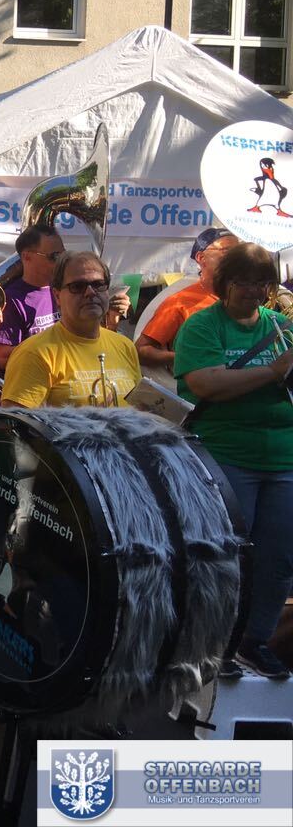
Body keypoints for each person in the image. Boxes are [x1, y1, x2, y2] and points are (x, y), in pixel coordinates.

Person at [174, 243, 293, 680]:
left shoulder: (282, 326)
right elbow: (207, 384)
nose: (253, 291)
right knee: (224, 556)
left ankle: (254, 641)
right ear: (225, 283)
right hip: (226, 458)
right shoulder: (203, 326)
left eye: (262, 282)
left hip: (284, 460)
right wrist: (274, 372)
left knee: (279, 559)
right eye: (243, 281)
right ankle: (213, 643)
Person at [1, 251, 141, 408]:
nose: (90, 292)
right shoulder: (34, 353)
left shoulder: (126, 346)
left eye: (98, 284)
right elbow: (14, 421)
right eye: (77, 287)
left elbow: (142, 410)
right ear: (57, 296)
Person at [136, 227, 236, 372]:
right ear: (201, 258)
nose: (237, 260)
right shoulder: (179, 302)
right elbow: (141, 350)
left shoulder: (250, 297)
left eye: (239, 253)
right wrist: (186, 357)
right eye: (227, 252)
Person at [0, 223, 65, 373]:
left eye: (63, 255)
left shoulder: (66, 289)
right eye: (54, 256)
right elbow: (4, 357)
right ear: (27, 256)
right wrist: (55, 350)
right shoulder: (11, 299)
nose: (60, 262)